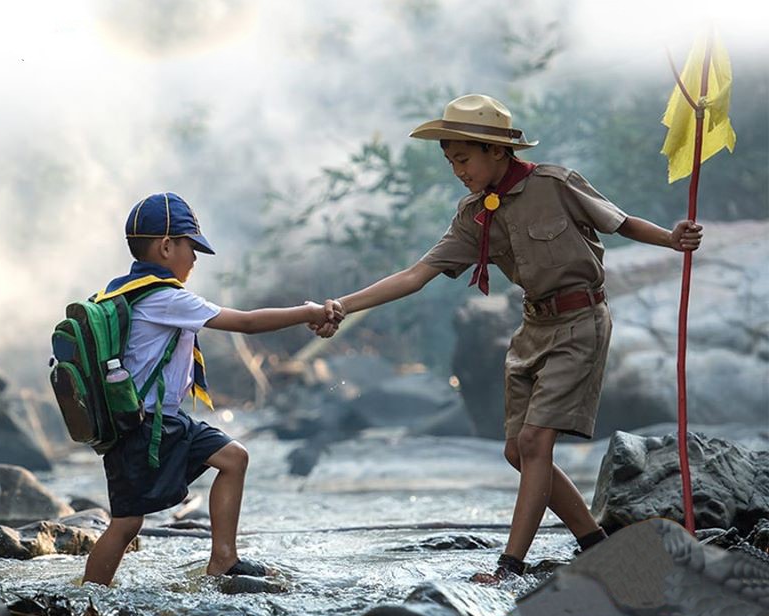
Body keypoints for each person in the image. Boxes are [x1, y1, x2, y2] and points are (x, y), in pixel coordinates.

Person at [314, 94, 702, 584]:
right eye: (450, 160)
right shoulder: (475, 214)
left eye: (463, 158)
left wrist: (672, 239)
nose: (457, 170)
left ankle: (509, 566)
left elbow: (620, 221)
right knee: (517, 451)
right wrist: (344, 305)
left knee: (538, 442)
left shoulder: (554, 183)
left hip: (580, 322)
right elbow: (416, 275)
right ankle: (595, 546)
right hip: (530, 330)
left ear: (497, 151)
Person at [83, 192, 339, 586]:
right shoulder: (166, 297)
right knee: (126, 523)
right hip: (144, 428)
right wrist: (307, 312)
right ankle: (89, 596)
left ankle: (223, 559)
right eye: (191, 247)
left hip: (165, 422)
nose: (195, 258)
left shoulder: (123, 291)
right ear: (167, 246)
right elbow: (249, 323)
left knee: (233, 458)